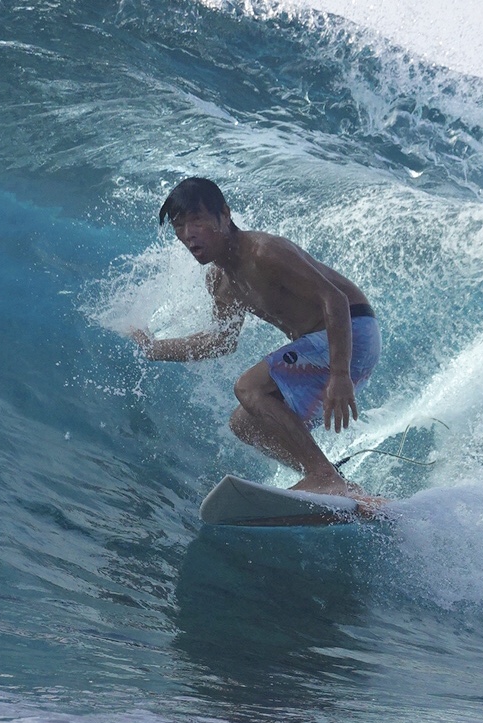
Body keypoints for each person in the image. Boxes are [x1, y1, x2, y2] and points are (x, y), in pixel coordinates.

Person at [131, 177, 381, 498]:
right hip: (327, 347)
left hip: (352, 332)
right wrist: (153, 348)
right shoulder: (221, 282)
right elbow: (221, 342)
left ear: (225, 214)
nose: (188, 234)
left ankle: (323, 475)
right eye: (179, 226)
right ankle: (335, 481)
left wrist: (340, 374)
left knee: (248, 387)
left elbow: (335, 298)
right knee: (245, 423)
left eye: (197, 220)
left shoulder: (264, 252)